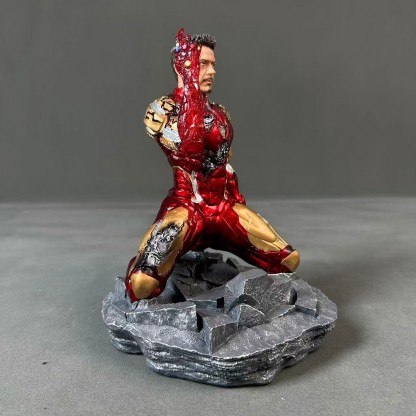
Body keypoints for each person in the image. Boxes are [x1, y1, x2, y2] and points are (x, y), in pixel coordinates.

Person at [125, 29, 300, 301]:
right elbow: (189, 150)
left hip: (222, 209)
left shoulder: (219, 112)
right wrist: (191, 94)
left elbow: (225, 162)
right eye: (203, 64)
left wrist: (235, 197)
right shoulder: (162, 110)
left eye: (213, 64)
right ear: (182, 65)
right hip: (187, 208)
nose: (212, 71)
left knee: (288, 260)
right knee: (142, 283)